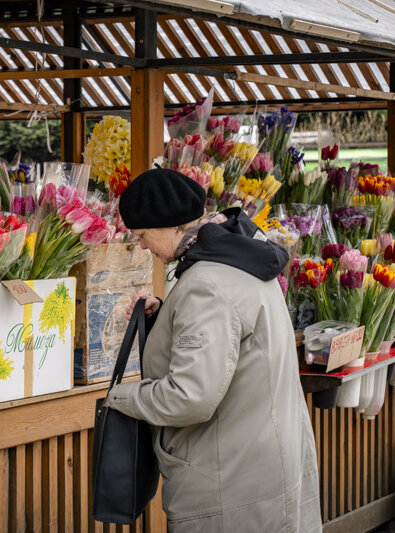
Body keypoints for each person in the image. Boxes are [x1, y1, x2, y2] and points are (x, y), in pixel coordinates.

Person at [107, 168, 321, 532]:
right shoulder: (240, 258)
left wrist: (123, 397)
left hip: (230, 487)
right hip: (264, 468)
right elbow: (230, 339)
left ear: (168, 225)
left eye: (142, 235)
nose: (141, 246)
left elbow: (190, 396)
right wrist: (167, 317)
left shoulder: (204, 284)